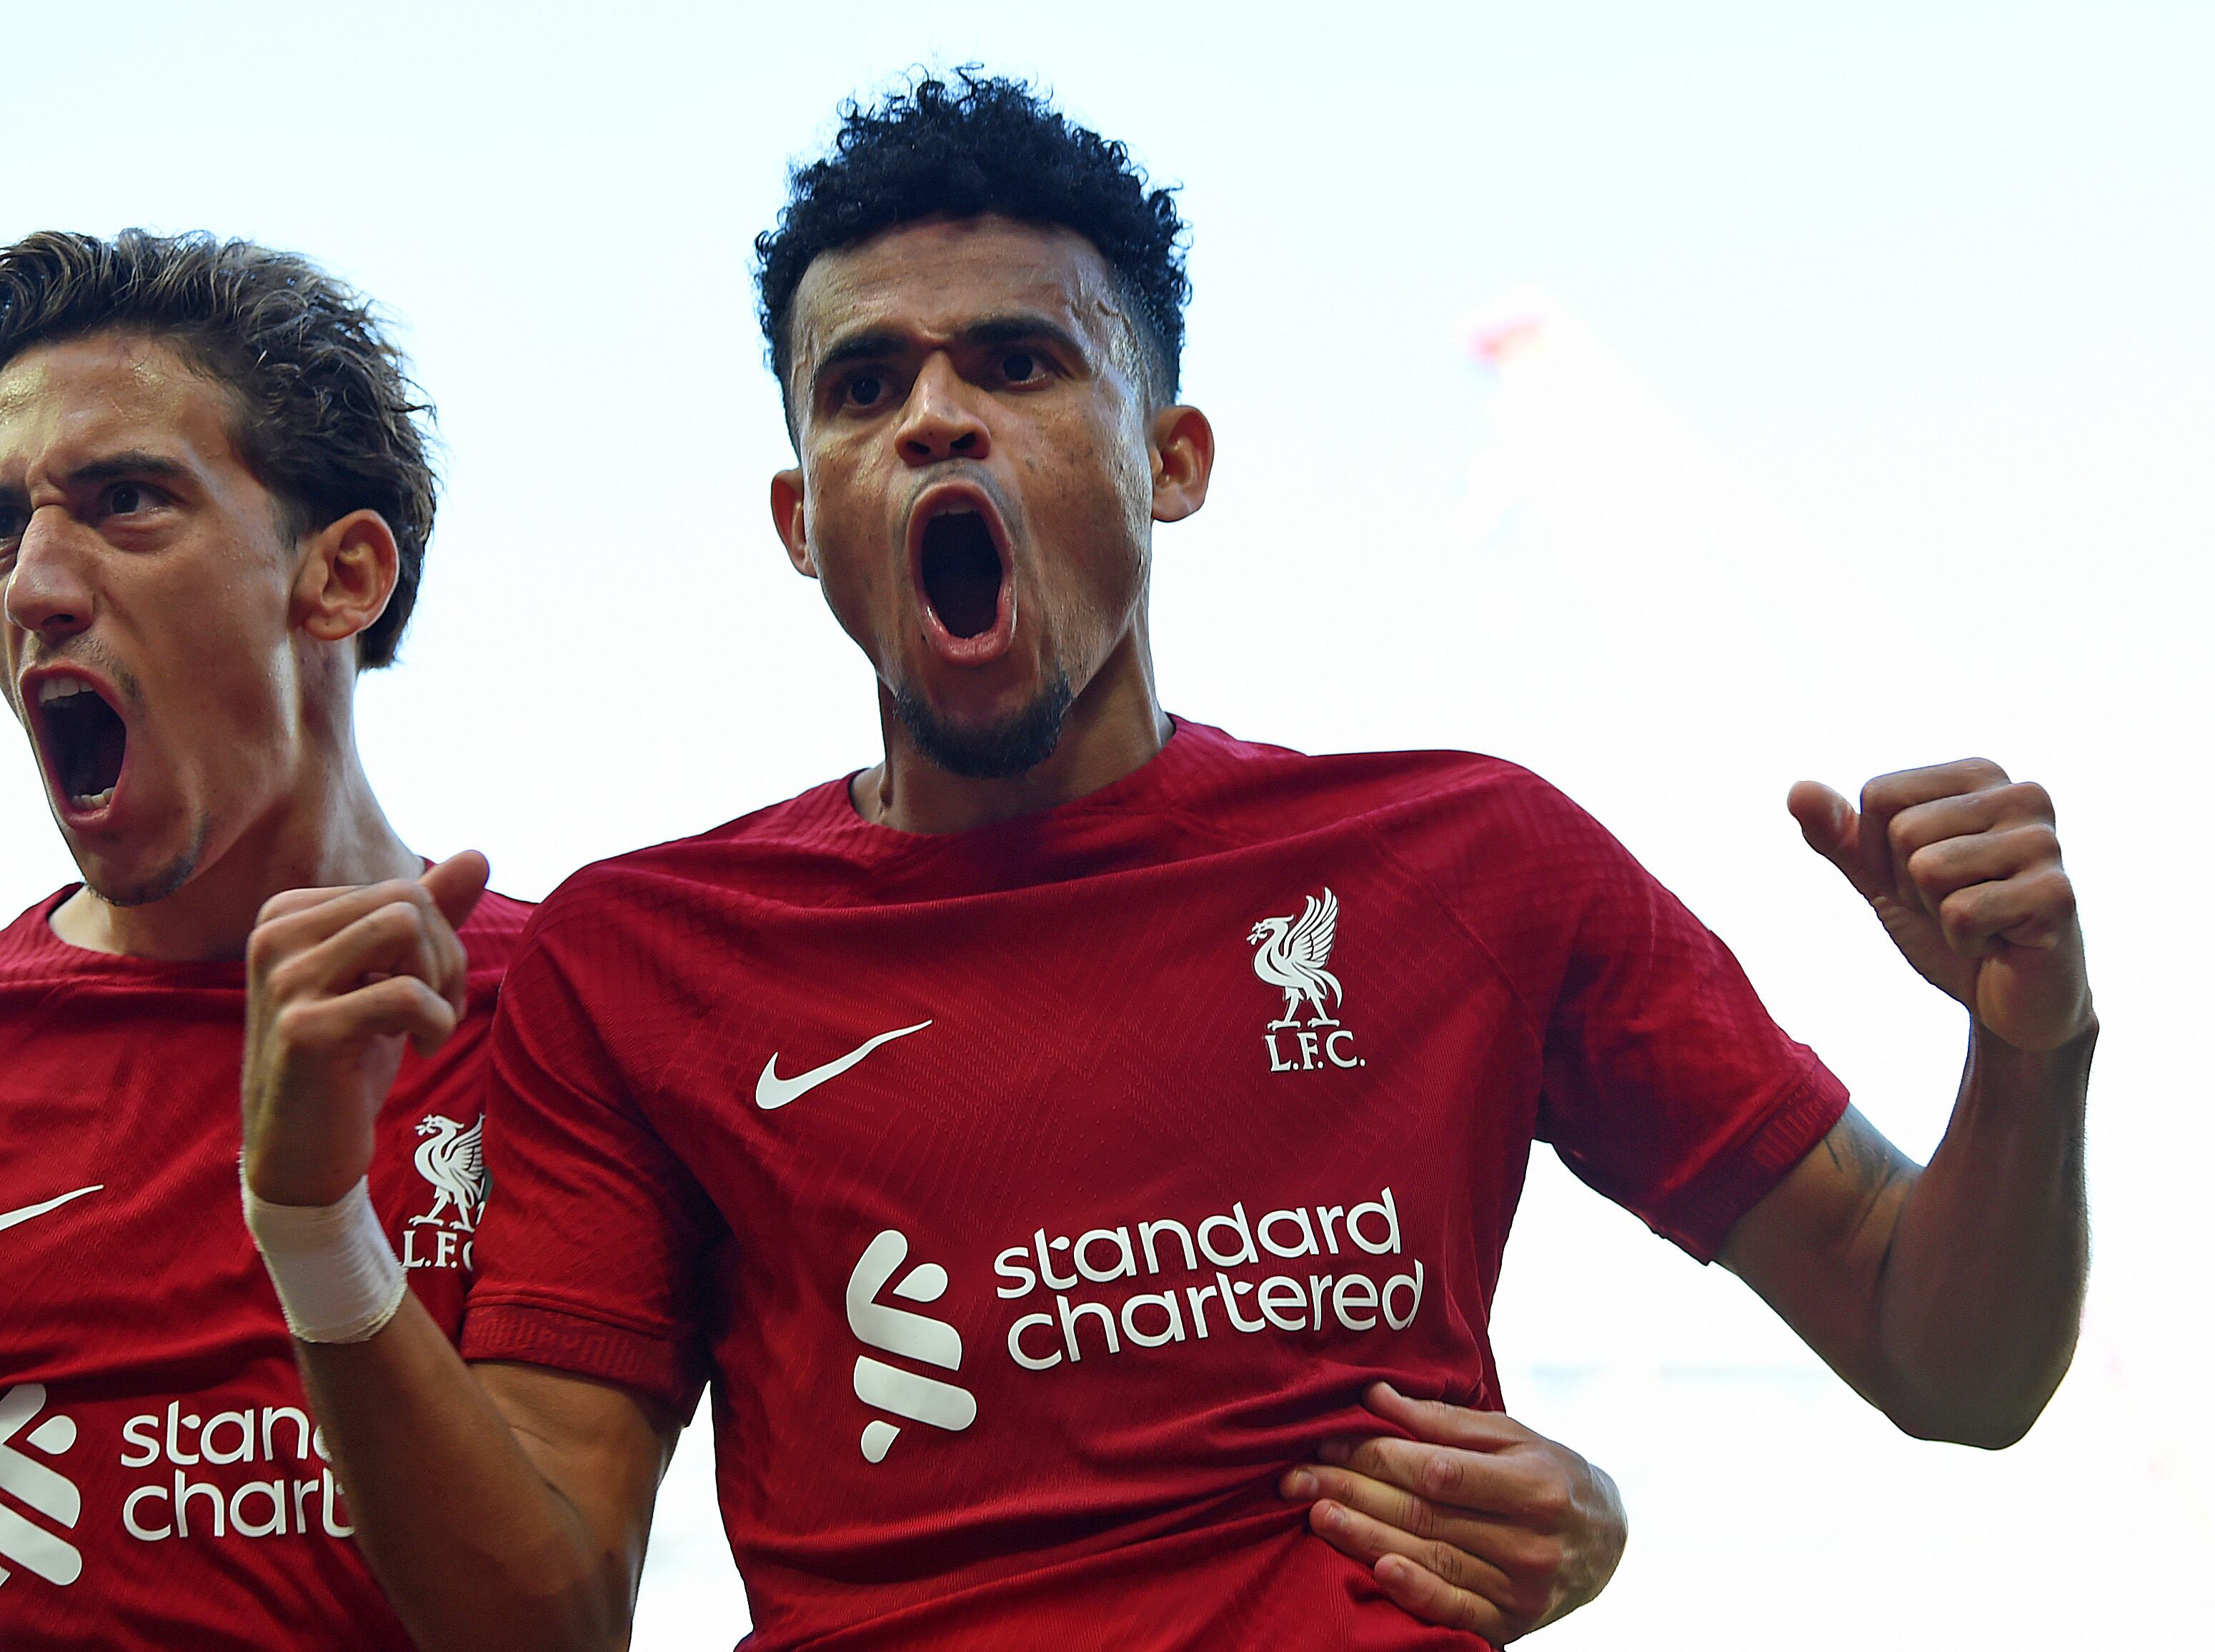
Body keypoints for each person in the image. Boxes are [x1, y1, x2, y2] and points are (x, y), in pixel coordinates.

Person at [240, 74, 2093, 1652]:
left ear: (1171, 457)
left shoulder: (1470, 860)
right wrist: (313, 1221)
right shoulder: (645, 958)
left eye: (1021, 362)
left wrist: (2026, 1047)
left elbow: (1947, 1363)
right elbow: (539, 1609)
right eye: (864, 383)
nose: (934, 419)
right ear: (803, 519)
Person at [0, 229, 531, 1648]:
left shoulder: (570, 1009)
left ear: (340, 576)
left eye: (122, 502)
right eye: (1, 527)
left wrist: (311, 1219)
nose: (33, 583)